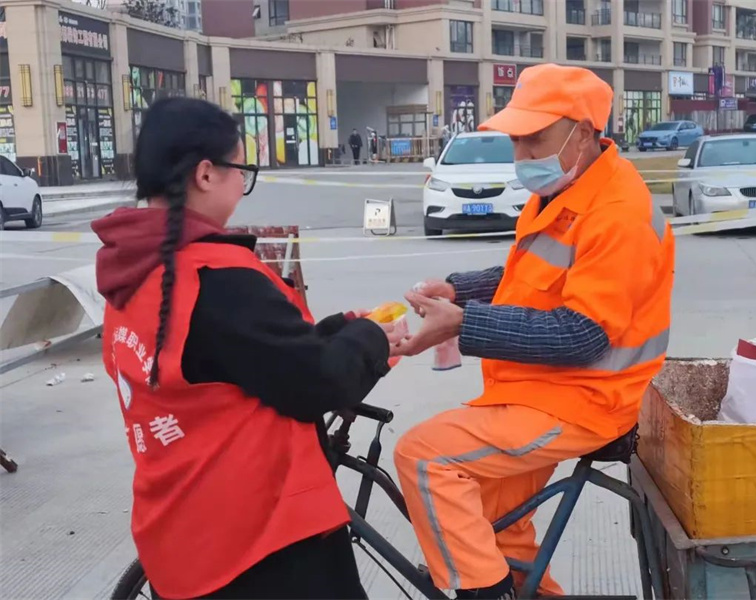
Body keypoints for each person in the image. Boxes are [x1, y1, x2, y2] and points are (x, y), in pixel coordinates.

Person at [92, 97, 404, 599]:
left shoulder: (131, 271)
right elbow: (315, 381)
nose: (243, 183)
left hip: (178, 526)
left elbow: (242, 358)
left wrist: (343, 329)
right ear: (206, 174)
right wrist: (371, 340)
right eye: (242, 170)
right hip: (261, 537)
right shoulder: (217, 277)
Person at [393, 64, 675, 599]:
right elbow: (531, 277)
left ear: (584, 133)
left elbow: (581, 334)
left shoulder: (618, 213)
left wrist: (465, 324)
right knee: (493, 525)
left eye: (534, 139)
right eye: (516, 140)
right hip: (540, 390)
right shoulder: (565, 191)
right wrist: (459, 289)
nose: (521, 155)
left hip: (587, 400)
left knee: (423, 456)